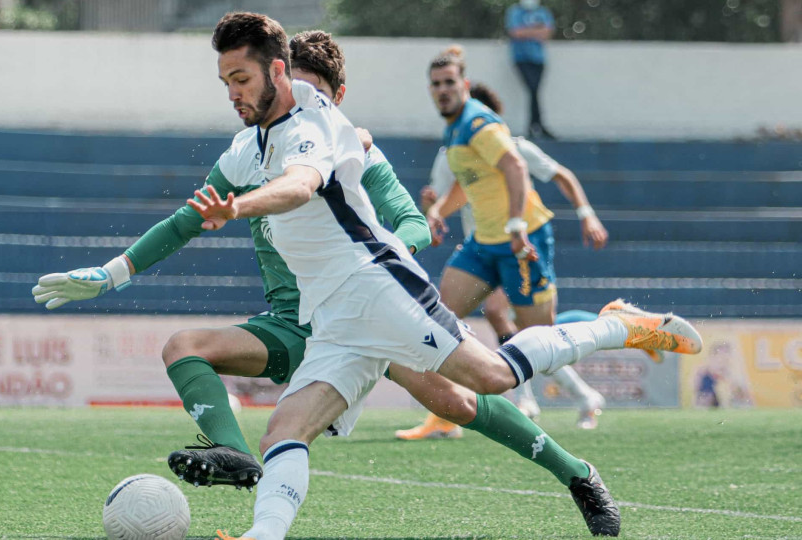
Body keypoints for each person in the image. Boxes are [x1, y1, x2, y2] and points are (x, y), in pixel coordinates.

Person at [36, 14, 700, 539]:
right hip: (331, 315)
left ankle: (623, 325)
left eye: (239, 79)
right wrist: (112, 272)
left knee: (489, 380)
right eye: (225, 82)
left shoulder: (320, 126)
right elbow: (188, 218)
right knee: (284, 432)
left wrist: (236, 208)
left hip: (378, 288)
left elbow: (301, 189)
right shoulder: (245, 147)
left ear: (279, 72)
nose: (231, 93)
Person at [398, 80, 609, 437]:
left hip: (517, 242)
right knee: (449, 317)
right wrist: (432, 210)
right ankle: (461, 408)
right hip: (479, 245)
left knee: (535, 332)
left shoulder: (512, 147)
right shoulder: (451, 148)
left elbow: (560, 174)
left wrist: (586, 213)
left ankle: (576, 383)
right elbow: (449, 197)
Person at [505, 0, 555, 139]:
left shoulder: (543, 12)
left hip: (538, 59)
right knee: (532, 89)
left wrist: (527, 31)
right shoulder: (515, 11)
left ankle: (535, 125)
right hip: (521, 58)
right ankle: (535, 125)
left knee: (535, 91)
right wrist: (536, 30)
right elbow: (515, 32)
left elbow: (547, 33)